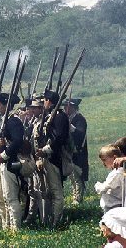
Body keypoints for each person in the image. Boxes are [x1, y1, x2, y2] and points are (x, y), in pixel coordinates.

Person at [35, 90, 69, 227]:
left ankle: (56, 221)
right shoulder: (50, 116)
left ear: (49, 101)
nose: (43, 103)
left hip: (55, 158)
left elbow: (60, 137)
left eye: (45, 100)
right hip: (46, 158)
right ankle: (49, 219)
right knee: (47, 191)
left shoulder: (60, 116)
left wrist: (45, 150)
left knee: (56, 192)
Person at [0, 92, 24, 231]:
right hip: (3, 162)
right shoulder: (4, 121)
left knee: (11, 197)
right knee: (3, 196)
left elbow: (17, 141)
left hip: (10, 162)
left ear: (7, 105)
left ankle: (15, 228)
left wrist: (4, 155)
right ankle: (7, 226)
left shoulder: (13, 121)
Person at [64, 98, 89, 205]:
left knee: (78, 177)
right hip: (70, 152)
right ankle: (75, 196)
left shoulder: (80, 119)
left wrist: (70, 126)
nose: (65, 109)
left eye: (67, 107)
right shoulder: (68, 118)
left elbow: (80, 134)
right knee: (72, 177)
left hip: (78, 152)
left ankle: (78, 199)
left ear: (73, 108)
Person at [95, 145, 124, 213]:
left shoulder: (116, 174)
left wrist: (97, 186)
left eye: (104, 160)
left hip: (113, 205)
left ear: (114, 158)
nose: (103, 163)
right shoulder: (119, 171)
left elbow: (104, 188)